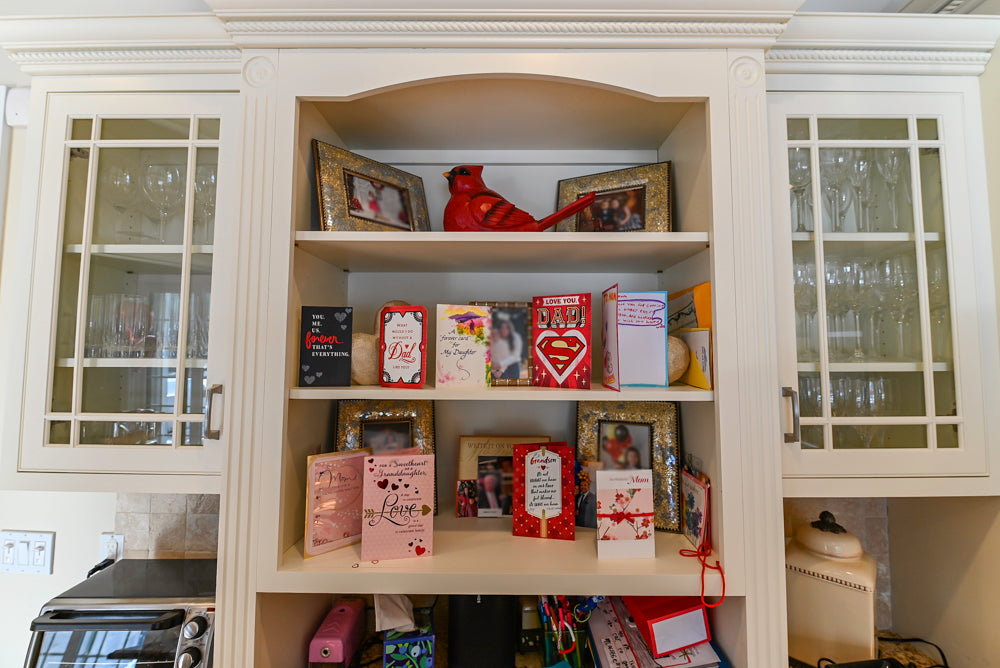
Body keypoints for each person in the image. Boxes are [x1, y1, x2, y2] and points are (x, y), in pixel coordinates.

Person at [491, 313, 523, 381]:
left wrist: (500, 365)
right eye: (502, 328)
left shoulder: (515, 337)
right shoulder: (496, 340)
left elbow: (515, 356)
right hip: (497, 368)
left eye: (506, 328)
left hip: (512, 367)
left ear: (509, 329)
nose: (504, 330)